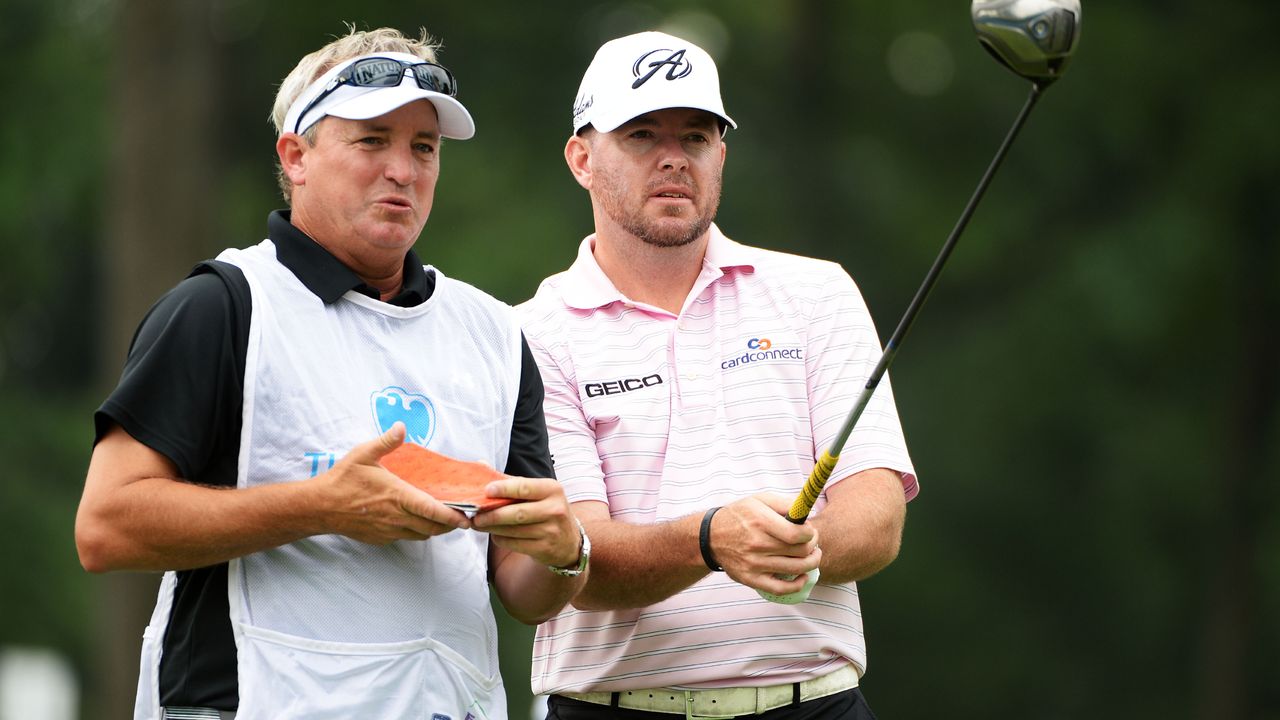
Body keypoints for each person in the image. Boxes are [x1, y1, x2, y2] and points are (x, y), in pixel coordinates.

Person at [74, 27, 590, 720]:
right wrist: (324, 506)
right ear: (297, 156)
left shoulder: (494, 332)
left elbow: (521, 587)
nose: (403, 170)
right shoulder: (224, 305)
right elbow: (106, 526)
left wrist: (564, 554)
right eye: (372, 140)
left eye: (423, 148)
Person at [516, 31, 920, 719]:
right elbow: (577, 559)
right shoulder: (530, 332)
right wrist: (711, 540)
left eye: (697, 137)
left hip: (814, 704)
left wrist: (799, 546)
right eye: (642, 135)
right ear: (582, 159)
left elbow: (877, 517)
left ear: (721, 155)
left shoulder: (817, 293)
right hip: (612, 707)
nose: (674, 157)